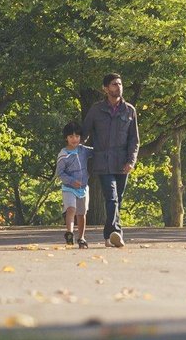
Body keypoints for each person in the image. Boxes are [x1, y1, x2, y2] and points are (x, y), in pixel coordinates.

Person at [81, 73, 139, 247]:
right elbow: (84, 133)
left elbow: (134, 140)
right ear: (105, 88)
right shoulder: (96, 110)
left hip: (122, 162)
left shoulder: (129, 110)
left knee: (117, 199)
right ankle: (116, 233)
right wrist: (73, 149)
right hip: (103, 161)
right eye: (114, 84)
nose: (118, 87)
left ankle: (108, 236)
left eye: (120, 84)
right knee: (112, 198)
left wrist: (131, 161)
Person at [55, 122, 92, 248]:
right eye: (71, 137)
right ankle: (69, 233)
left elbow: (97, 153)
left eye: (77, 136)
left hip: (83, 188)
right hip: (69, 188)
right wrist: (71, 181)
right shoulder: (63, 154)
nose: (74, 139)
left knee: (81, 213)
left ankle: (81, 237)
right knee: (71, 209)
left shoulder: (84, 150)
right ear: (66, 138)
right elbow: (59, 173)